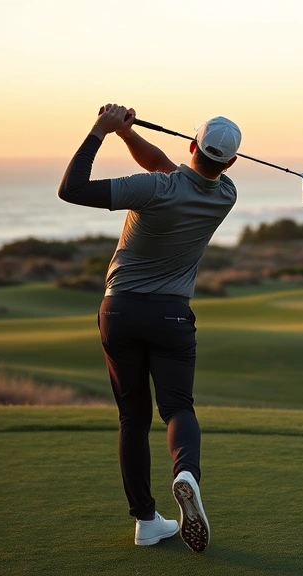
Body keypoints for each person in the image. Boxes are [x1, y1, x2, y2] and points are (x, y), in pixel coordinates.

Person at [57, 103, 240, 553]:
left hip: (119, 311)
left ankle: (145, 520)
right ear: (230, 162)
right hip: (172, 316)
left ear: (192, 145)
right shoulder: (225, 195)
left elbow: (72, 189)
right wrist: (128, 135)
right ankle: (185, 474)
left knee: (132, 418)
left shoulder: (152, 190)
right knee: (177, 408)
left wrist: (102, 130)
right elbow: (166, 165)